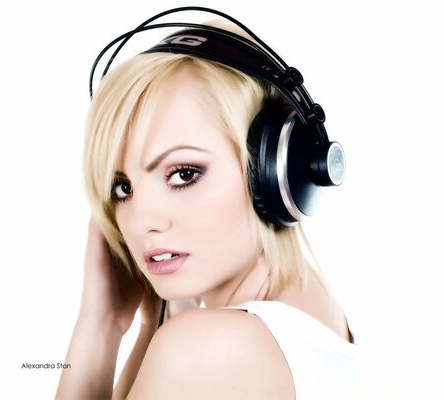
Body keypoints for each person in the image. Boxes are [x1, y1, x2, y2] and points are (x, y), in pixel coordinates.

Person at [56, 7, 359, 399]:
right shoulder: (322, 319)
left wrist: (99, 327)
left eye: (183, 174)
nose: (141, 221)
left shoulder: (200, 349)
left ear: (276, 171)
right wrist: (151, 327)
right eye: (123, 188)